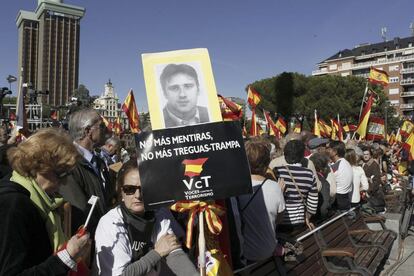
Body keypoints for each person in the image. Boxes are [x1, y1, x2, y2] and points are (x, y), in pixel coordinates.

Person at [0, 128, 90, 275]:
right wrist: (67, 257)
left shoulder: (42, 201)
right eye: (61, 173)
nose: (65, 181)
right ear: (39, 166)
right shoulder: (13, 205)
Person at [94, 160, 198, 275]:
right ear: (121, 192)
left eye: (143, 188)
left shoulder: (158, 214)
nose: (137, 195)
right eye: (130, 189)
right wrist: (157, 253)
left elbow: (174, 253)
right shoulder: (111, 223)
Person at [59, 108, 114, 236]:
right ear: (88, 131)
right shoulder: (69, 163)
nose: (106, 129)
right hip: (86, 239)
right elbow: (79, 210)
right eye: (101, 126)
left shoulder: (99, 162)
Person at [235, 137, 285, 262]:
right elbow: (278, 220)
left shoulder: (235, 189)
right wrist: (279, 193)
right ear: (267, 162)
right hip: (267, 250)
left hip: (244, 253)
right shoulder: (275, 188)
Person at [273, 140, 318, 234]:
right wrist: (307, 217)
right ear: (302, 156)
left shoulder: (277, 172)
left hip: (278, 222)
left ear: (284, 155)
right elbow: (313, 204)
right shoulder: (309, 174)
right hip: (299, 223)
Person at [160, 63, 209, 127]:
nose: (182, 95)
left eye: (188, 86)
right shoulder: (158, 121)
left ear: (198, 90)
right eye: (174, 88)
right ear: (165, 93)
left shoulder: (211, 115)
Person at [326, 141, 353, 212]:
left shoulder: (335, 166)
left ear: (335, 152)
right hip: (345, 200)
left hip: (338, 202)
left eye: (329, 149)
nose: (327, 151)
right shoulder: (346, 163)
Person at [361, 147, 386, 213]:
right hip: (364, 192)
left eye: (367, 154)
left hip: (373, 195)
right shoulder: (361, 164)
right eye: (364, 154)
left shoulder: (374, 165)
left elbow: (376, 181)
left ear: (370, 155)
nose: (365, 156)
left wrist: (368, 191)